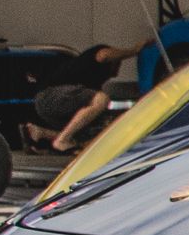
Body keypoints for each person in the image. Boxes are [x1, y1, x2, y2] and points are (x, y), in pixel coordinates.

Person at [23, 37, 151, 154]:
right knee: (101, 99)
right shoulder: (93, 58)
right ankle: (62, 140)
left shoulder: (91, 86)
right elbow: (105, 55)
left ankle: (41, 133)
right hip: (51, 95)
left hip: (46, 105)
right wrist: (134, 50)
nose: (116, 74)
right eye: (117, 65)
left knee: (88, 129)